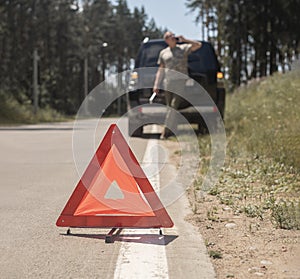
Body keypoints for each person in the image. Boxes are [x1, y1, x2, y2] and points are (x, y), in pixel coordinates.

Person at [153, 31, 202, 139]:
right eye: (169, 36)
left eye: (173, 35)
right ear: (166, 40)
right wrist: (156, 84)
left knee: (173, 106)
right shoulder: (163, 53)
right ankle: (172, 130)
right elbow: (160, 70)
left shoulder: (183, 48)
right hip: (168, 82)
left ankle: (164, 132)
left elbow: (198, 45)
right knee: (169, 107)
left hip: (180, 81)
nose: (172, 37)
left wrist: (185, 40)